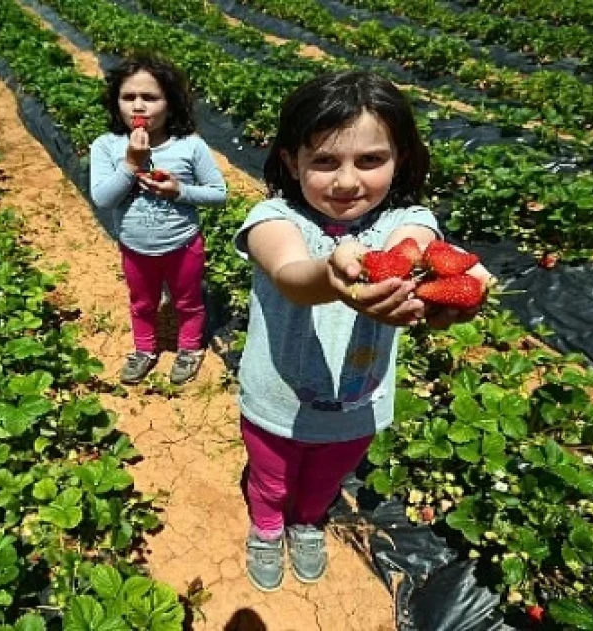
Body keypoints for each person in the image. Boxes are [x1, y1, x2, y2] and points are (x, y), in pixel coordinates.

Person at [233, 70, 491, 592]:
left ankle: (306, 523)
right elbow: (291, 275)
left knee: (327, 479)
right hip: (277, 399)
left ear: (399, 160)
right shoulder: (273, 218)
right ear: (291, 162)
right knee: (271, 477)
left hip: (360, 403)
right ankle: (266, 528)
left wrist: (457, 281)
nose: (347, 181)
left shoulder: (409, 220)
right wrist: (333, 272)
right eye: (324, 161)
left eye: (370, 160)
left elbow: (412, 247)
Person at [90, 54, 228, 386]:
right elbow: (103, 198)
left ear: (170, 103)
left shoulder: (190, 146)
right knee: (142, 303)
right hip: (135, 248)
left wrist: (179, 191)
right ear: (115, 102)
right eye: (128, 97)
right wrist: (131, 164)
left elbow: (219, 193)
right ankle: (145, 349)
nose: (138, 107)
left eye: (150, 98)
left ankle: (190, 348)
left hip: (183, 245)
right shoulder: (106, 146)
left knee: (188, 302)